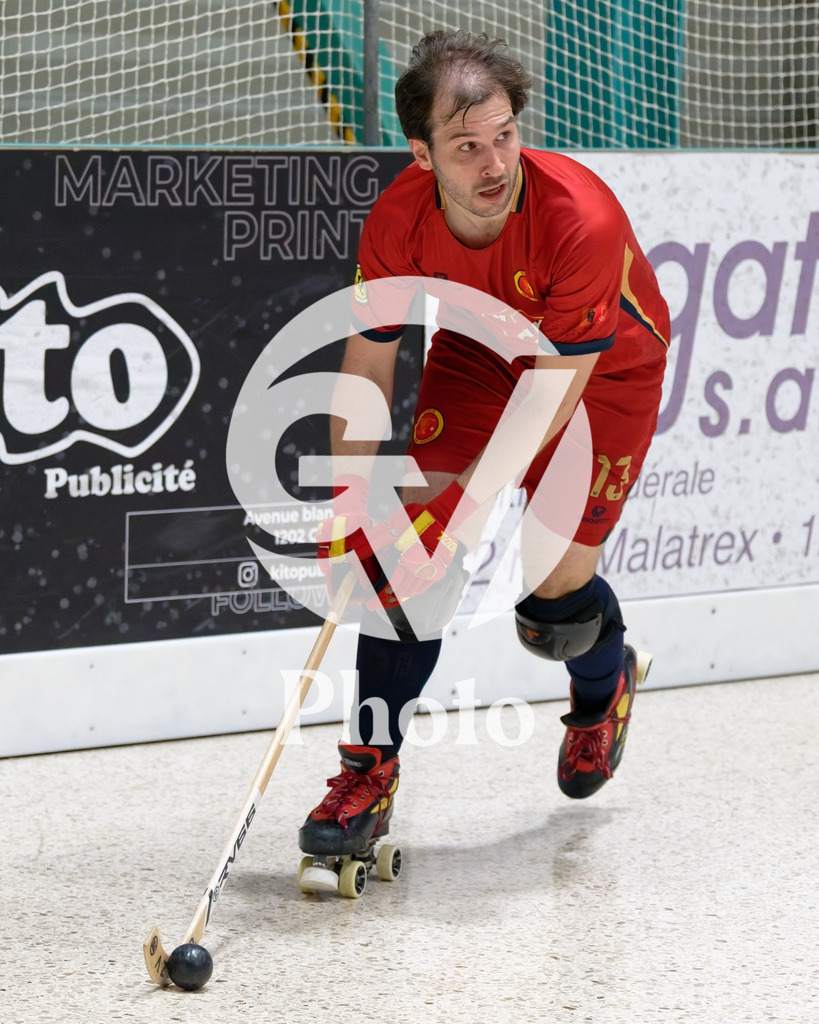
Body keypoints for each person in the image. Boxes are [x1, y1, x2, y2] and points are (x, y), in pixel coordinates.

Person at [298, 29, 670, 864]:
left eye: (504, 135)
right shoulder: (398, 217)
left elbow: (550, 396)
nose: (494, 163)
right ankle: (367, 772)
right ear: (421, 153)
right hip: (477, 354)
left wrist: (460, 504)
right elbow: (365, 365)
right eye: (466, 145)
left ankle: (603, 687)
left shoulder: (580, 219)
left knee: (551, 612)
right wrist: (356, 507)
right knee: (409, 565)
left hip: (600, 373)